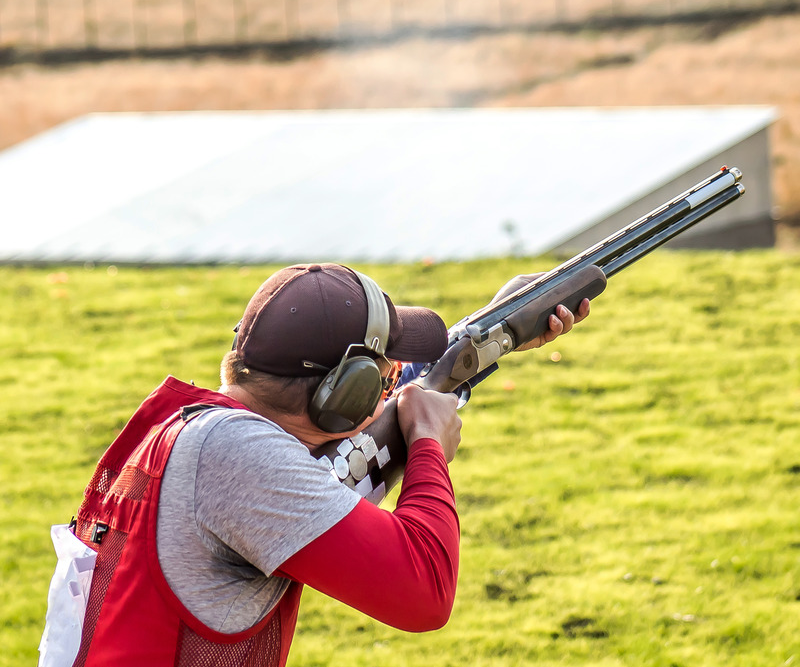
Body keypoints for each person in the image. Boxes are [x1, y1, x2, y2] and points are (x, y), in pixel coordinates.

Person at [52, 262, 588, 667]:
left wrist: (496, 332)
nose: (392, 383)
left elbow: (355, 438)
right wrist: (427, 442)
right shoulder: (242, 459)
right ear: (344, 393)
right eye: (384, 372)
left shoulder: (206, 430)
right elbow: (423, 592)